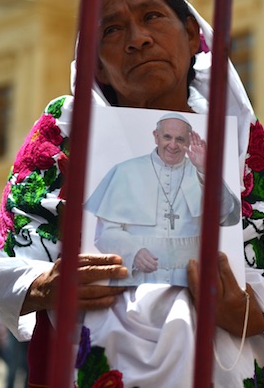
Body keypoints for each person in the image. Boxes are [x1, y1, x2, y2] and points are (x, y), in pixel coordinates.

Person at [0, 0, 264, 387]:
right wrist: (45, 284)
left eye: (151, 16)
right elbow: (6, 260)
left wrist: (241, 309)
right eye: (111, 30)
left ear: (191, 36)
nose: (138, 39)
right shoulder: (65, 135)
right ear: (94, 64)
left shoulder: (241, 145)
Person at [84, 112, 240, 286]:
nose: (173, 145)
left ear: (189, 141)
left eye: (180, 139)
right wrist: (133, 252)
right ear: (156, 137)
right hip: (137, 280)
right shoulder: (125, 171)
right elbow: (105, 232)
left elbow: (226, 215)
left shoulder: (201, 172)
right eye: (167, 137)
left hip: (191, 281)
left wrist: (206, 170)